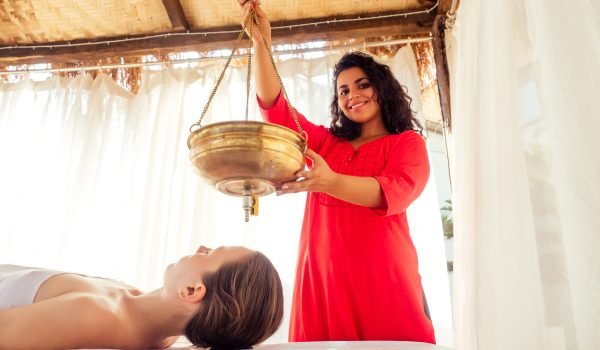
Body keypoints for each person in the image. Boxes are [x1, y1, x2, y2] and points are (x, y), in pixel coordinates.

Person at [238, 0, 436, 344]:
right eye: (343, 90)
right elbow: (278, 112)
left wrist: (331, 182)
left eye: (362, 85)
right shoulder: (327, 144)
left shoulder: (407, 144)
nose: (352, 95)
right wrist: (261, 43)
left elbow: (394, 191)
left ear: (382, 89)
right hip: (322, 287)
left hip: (384, 284)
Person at [0, 245, 284, 350]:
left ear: (192, 291)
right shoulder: (162, 332)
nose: (200, 247)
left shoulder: (95, 314)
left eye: (209, 254)